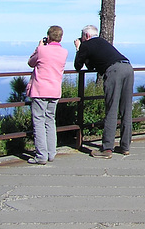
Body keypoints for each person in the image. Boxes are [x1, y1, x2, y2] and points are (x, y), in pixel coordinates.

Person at [74, 25, 134, 158]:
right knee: (126, 109)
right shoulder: (102, 42)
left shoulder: (86, 45)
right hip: (128, 67)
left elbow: (78, 65)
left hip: (114, 71)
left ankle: (107, 149)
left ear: (87, 36)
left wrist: (78, 49)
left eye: (82, 36)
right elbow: (92, 64)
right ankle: (125, 146)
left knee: (112, 109)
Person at [26, 25, 68, 165]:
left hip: (40, 91)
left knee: (38, 121)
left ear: (48, 37)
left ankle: (41, 155)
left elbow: (31, 63)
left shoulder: (41, 50)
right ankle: (51, 153)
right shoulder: (64, 52)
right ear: (61, 37)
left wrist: (38, 47)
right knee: (50, 120)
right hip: (55, 91)